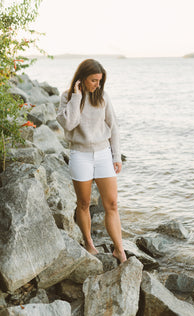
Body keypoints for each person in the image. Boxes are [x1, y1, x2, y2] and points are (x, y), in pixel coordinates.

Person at [56, 59, 127, 263]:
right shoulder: (67, 97)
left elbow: (113, 127)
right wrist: (77, 97)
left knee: (112, 203)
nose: (97, 84)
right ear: (82, 78)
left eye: (100, 80)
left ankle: (119, 250)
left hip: (103, 153)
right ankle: (89, 243)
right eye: (94, 80)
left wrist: (116, 156)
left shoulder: (103, 96)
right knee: (84, 203)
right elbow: (70, 124)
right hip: (80, 155)